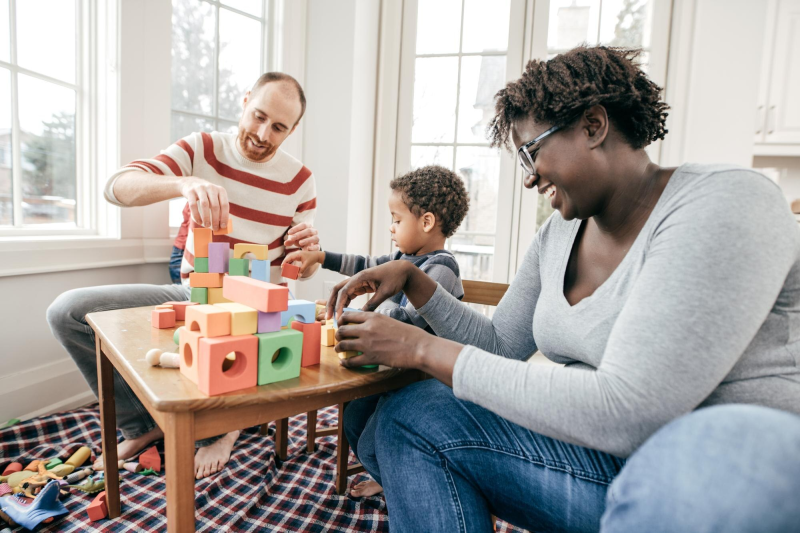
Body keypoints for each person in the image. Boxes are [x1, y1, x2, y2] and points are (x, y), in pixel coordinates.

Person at [325, 46, 800, 532]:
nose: (530, 177)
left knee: (416, 416)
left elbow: (627, 409)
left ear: (593, 126)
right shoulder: (559, 235)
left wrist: (423, 348)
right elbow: (502, 346)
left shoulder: (723, 203)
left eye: (533, 151)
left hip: (712, 483)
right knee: (399, 414)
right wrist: (416, 280)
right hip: (604, 458)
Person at [47, 72, 321, 480]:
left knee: (238, 346)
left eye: (279, 127)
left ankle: (228, 428)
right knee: (67, 312)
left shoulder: (300, 181)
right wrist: (184, 182)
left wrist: (310, 254)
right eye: (259, 116)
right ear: (245, 101)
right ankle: (143, 426)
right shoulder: (204, 147)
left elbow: (305, 263)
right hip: (196, 294)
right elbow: (117, 186)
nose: (264, 134)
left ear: (293, 129)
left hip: (258, 316)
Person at [283, 164, 470, 498]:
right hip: (387, 369)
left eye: (397, 220)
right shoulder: (402, 256)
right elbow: (363, 265)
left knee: (373, 441)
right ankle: (386, 473)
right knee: (353, 419)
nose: (391, 227)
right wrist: (321, 257)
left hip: (420, 380)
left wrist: (361, 315)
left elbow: (409, 323)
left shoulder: (441, 269)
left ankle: (402, 480)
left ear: (426, 222)